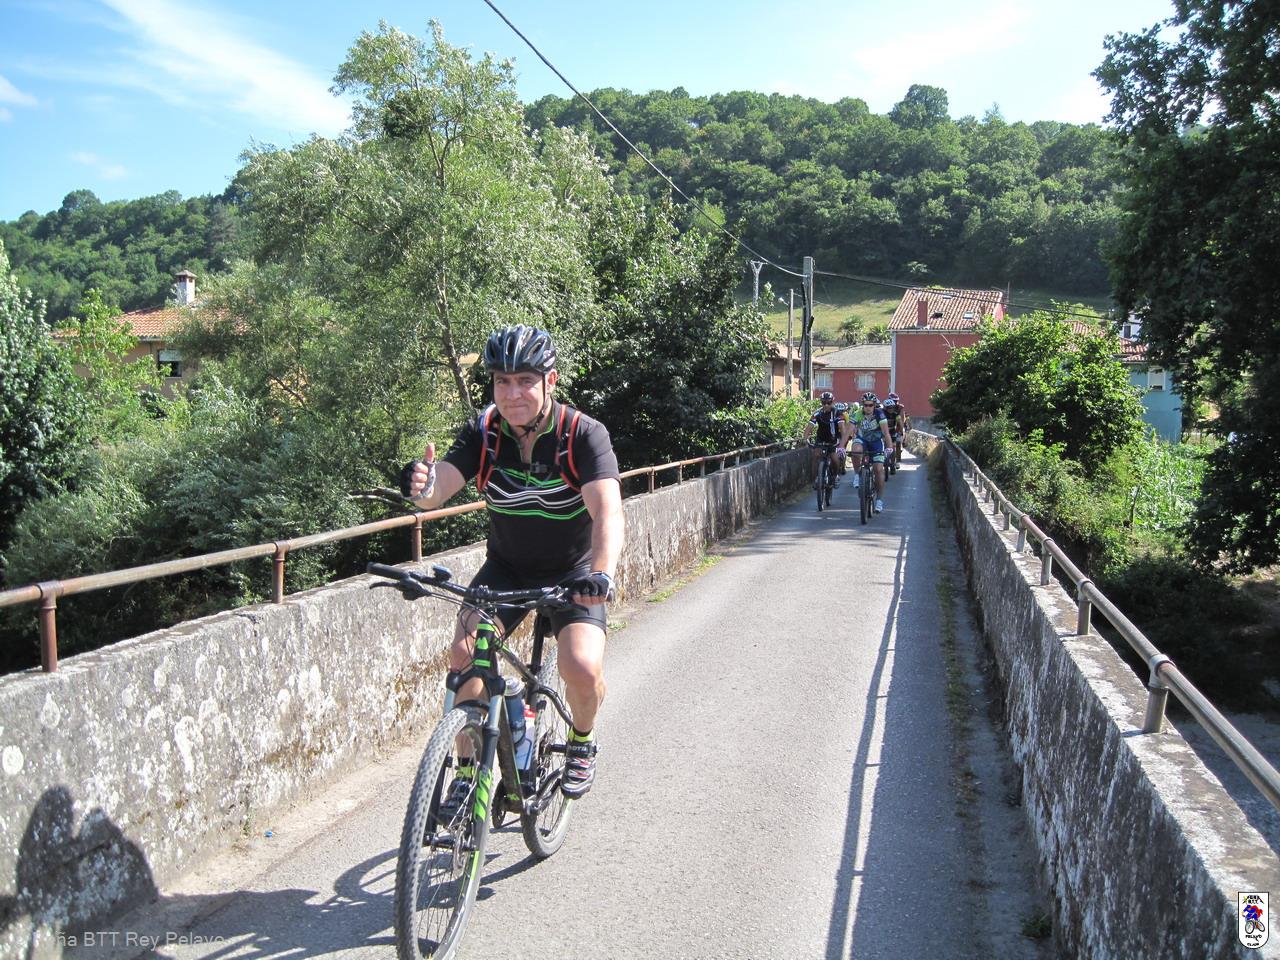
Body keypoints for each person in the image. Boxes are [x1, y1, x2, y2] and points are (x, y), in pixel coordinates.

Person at [400, 324, 624, 802]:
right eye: (502, 381)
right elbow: (439, 490)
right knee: (464, 655)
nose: (513, 392)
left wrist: (601, 574)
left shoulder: (582, 435)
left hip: (573, 572)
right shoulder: (484, 433)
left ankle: (581, 742)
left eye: (525, 380)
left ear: (550, 381)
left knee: (582, 666)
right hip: (506, 568)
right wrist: (422, 487)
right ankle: (466, 777)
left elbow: (608, 512)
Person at [849, 392, 894, 513]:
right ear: (862, 405)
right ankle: (857, 475)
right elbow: (848, 431)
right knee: (855, 450)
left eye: (870, 405)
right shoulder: (858, 414)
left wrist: (889, 447)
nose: (868, 407)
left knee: (878, 469)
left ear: (874, 405)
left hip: (876, 442)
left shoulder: (880, 414)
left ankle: (879, 500)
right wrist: (841, 447)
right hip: (862, 440)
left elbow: (886, 433)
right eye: (865, 405)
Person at [803, 391, 847, 486]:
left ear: (832, 402)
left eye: (829, 403)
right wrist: (805, 439)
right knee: (816, 456)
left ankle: (835, 475)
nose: (826, 405)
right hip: (821, 438)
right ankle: (816, 478)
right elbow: (809, 427)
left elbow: (843, 429)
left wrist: (842, 444)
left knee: (834, 458)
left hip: (833, 439)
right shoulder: (817, 413)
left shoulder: (838, 413)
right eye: (824, 403)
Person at [883, 392, 909, 465]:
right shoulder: (884, 408)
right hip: (884, 429)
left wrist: (900, 431)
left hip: (895, 427)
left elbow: (901, 420)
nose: (895, 403)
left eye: (896, 401)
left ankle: (896, 460)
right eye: (894, 401)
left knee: (897, 442)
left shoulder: (900, 408)